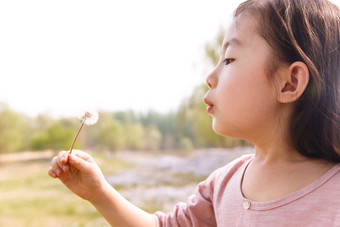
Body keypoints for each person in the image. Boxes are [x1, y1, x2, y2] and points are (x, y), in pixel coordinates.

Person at [48, 0, 340, 226]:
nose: (210, 76)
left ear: (289, 83)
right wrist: (100, 193)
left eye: (229, 59)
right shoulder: (223, 183)